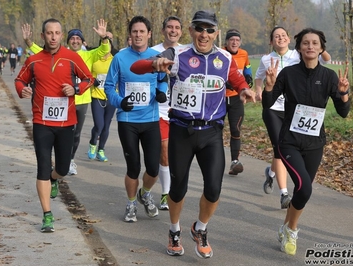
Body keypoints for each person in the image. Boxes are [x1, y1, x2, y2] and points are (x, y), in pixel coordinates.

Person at [130, 10, 255, 259]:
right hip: (181, 130)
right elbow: (137, 66)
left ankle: (200, 228)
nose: (204, 34)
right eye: (199, 29)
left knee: (213, 189)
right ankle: (174, 230)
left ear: (216, 33)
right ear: (191, 31)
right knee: (178, 189)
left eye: (210, 30)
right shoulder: (176, 54)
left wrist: (244, 90)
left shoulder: (224, 58)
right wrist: (153, 64)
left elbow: (237, 79)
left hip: (211, 132)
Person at [262, 28, 350, 255]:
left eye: (315, 43)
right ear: (299, 47)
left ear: (321, 48)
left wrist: (344, 93)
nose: (310, 46)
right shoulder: (288, 74)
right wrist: (269, 86)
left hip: (314, 143)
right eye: (305, 43)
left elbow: (343, 112)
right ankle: (292, 231)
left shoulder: (329, 76)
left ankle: (285, 228)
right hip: (289, 141)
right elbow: (268, 103)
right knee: (305, 187)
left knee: (302, 192)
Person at [14, 18, 94, 233]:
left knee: (63, 168)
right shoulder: (33, 60)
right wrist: (22, 90)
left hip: (66, 123)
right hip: (42, 122)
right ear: (43, 36)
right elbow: (19, 80)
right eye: (49, 33)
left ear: (61, 35)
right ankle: (47, 215)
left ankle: (54, 178)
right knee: (41, 167)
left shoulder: (71, 58)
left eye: (57, 33)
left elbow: (89, 78)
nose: (53, 36)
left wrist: (76, 89)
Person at [255, 26, 331, 209]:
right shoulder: (266, 59)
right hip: (273, 107)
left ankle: (271, 172)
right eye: (276, 37)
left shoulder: (298, 55)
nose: (280, 38)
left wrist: (317, 43)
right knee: (278, 147)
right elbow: (258, 78)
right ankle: (284, 193)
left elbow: (325, 60)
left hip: (294, 112)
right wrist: (260, 90)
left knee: (284, 155)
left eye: (283, 35)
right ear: (271, 42)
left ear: (289, 39)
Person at [22, 19, 111, 175]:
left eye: (78, 38)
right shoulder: (60, 54)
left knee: (76, 135)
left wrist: (104, 37)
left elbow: (104, 50)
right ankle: (55, 164)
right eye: (72, 38)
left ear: (82, 41)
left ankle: (70, 160)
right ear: (68, 40)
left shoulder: (88, 54)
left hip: (81, 101)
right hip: (61, 102)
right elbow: (39, 51)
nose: (75, 41)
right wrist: (28, 41)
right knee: (59, 136)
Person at [104, 15, 168, 223]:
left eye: (142, 31)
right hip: (127, 120)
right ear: (130, 35)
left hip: (150, 119)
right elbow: (108, 87)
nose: (138, 35)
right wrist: (120, 101)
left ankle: (145, 193)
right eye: (134, 31)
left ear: (149, 34)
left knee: (152, 167)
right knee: (133, 167)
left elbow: (162, 80)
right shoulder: (120, 58)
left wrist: (161, 93)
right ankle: (131, 202)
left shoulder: (156, 56)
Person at [151, 16, 183, 211]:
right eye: (169, 27)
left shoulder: (186, 51)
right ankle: (165, 194)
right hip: (159, 110)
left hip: (181, 111)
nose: (173, 30)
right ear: (163, 30)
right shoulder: (153, 52)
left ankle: (173, 190)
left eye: (177, 28)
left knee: (177, 155)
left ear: (181, 31)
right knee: (164, 152)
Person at [223, 29, 253, 175]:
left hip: (236, 97)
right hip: (219, 97)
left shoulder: (244, 53)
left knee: (236, 129)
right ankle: (215, 160)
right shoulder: (221, 53)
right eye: (231, 40)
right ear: (226, 42)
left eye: (237, 40)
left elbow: (247, 67)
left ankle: (235, 161)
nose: (234, 42)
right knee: (216, 130)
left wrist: (248, 77)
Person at [87, 33, 117, 162]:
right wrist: (92, 80)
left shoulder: (115, 59)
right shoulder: (95, 57)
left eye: (110, 43)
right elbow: (86, 72)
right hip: (96, 96)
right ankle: (93, 143)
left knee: (106, 126)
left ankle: (101, 150)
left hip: (111, 97)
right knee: (99, 125)